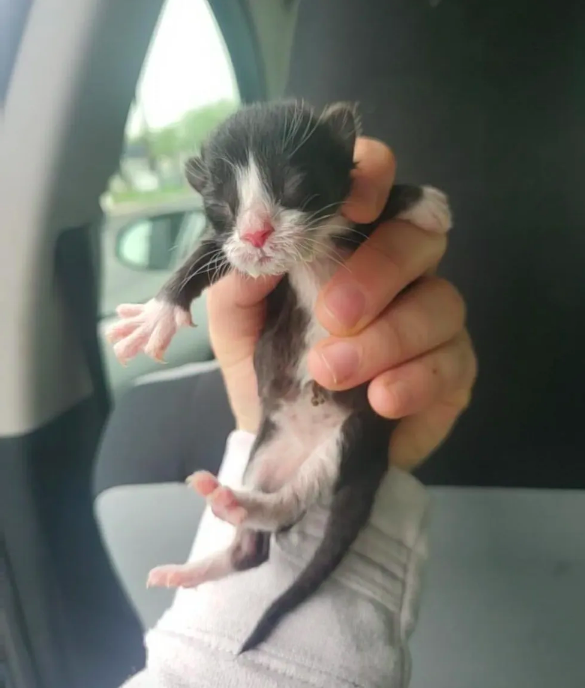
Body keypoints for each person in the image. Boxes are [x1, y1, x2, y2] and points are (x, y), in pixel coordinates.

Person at [117, 137, 477, 687]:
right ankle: (244, 543)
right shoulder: (248, 244)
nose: (255, 231)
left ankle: (258, 526)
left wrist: (398, 199)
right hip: (287, 401)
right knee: (269, 476)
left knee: (298, 474)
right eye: (229, 210)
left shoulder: (339, 214)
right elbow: (214, 250)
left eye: (292, 190)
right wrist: (171, 300)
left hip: (348, 405)